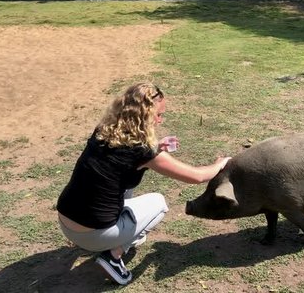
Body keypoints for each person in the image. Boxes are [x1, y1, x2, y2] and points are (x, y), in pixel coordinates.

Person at [56, 82, 231, 285]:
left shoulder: (103, 131)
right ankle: (113, 255)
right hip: (92, 235)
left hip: (66, 221)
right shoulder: (143, 151)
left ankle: (113, 237)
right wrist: (220, 164)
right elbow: (197, 177)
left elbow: (124, 158)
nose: (160, 120)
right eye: (158, 115)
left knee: (123, 185)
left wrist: (156, 147)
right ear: (146, 115)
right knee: (159, 203)